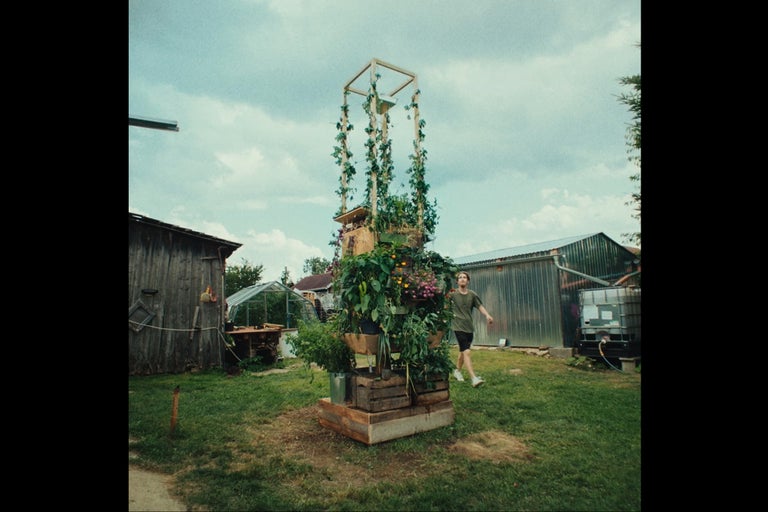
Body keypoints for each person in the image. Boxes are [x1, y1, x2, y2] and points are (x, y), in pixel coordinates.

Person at [449, 270, 493, 387]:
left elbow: (479, 306)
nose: (462, 279)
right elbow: (445, 306)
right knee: (467, 352)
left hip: (469, 327)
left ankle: (457, 371)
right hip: (458, 326)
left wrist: (487, 315)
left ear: (468, 281)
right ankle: (474, 378)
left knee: (462, 352)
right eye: (460, 277)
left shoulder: (472, 294)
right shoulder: (452, 294)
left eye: (465, 277)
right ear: (457, 281)